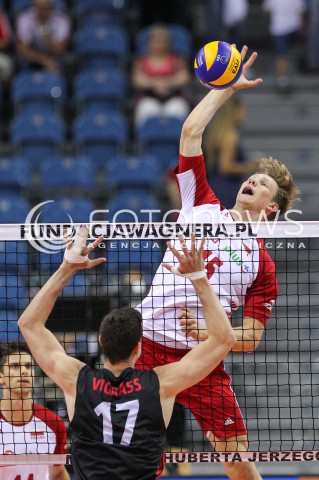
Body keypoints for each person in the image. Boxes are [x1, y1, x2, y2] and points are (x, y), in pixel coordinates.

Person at [136, 46, 300, 480]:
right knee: (136, 457)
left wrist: (209, 332)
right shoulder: (201, 202)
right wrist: (223, 90)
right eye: (252, 176)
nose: (251, 180)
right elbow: (190, 132)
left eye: (262, 184)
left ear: (270, 209)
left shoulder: (262, 265)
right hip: (146, 345)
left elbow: (248, 339)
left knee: (237, 462)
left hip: (203, 359)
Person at [18, 226, 237, 480]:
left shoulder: (77, 380)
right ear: (139, 349)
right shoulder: (161, 383)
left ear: (101, 341)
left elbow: (29, 324)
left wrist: (68, 267)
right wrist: (199, 276)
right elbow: (224, 338)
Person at [0, 341, 69, 480]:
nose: (24, 371)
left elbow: (58, 473)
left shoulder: (53, 423)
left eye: (28, 366)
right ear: (1, 377)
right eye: (15, 366)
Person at [204, 97, 260, 207]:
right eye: (242, 110)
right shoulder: (230, 135)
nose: (245, 114)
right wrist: (252, 166)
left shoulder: (219, 134)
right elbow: (225, 167)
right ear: (235, 112)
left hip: (215, 187)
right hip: (227, 190)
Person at [132, 23, 191, 127]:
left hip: (173, 98)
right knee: (146, 109)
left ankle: (181, 141)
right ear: (149, 43)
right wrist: (156, 84)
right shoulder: (142, 62)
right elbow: (137, 80)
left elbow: (184, 78)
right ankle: (144, 141)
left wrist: (165, 83)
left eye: (162, 41)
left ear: (168, 43)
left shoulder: (176, 60)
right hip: (149, 98)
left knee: (178, 108)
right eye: (156, 41)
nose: (159, 45)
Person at [16, 0, 71, 73]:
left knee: (65, 63)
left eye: (45, 8)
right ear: (34, 6)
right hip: (32, 57)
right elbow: (23, 49)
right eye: (39, 7)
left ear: (51, 7)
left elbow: (58, 50)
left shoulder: (62, 20)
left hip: (55, 57)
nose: (42, 11)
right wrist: (44, 61)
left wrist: (45, 29)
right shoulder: (24, 18)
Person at [263, 0, 306, 92]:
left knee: (282, 53)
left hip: (283, 27)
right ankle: (284, 77)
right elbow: (302, 11)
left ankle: (283, 77)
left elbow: (267, 11)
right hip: (288, 26)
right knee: (283, 53)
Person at [0, 11, 14, 83]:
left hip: (1, 54)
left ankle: (5, 92)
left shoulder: (1, 17)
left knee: (5, 65)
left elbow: (5, 43)